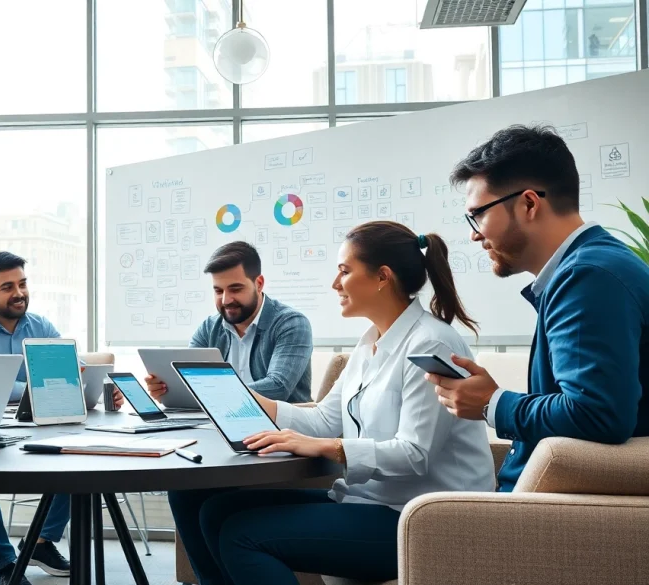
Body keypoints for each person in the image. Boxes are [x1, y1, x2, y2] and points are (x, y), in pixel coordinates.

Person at [169, 222, 495, 585]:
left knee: (241, 534)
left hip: (416, 518)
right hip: (369, 503)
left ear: (382, 277)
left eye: (344, 271)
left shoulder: (429, 343)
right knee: (214, 511)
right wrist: (248, 399)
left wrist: (327, 447)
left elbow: (414, 455)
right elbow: (325, 418)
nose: (334, 284)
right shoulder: (371, 341)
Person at [429, 124, 649, 492]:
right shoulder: (591, 266)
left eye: (478, 214)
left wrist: (492, 403)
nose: (474, 233)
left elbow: (597, 415)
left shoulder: (587, 276)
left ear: (529, 203)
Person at [0, 251, 96, 585]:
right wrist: (35, 387)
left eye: (23, 283)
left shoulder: (39, 325)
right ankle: (1, 562)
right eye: (8, 287)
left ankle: (41, 542)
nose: (19, 293)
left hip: (33, 421)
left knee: (79, 458)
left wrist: (81, 375)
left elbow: (65, 368)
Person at [124, 241, 313, 406]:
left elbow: (277, 387)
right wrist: (166, 390)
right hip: (217, 425)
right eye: (218, 291)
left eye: (235, 289)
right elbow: (187, 380)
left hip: (282, 432)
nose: (225, 300)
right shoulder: (208, 328)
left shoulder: (292, 324)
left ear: (259, 283)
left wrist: (207, 393)